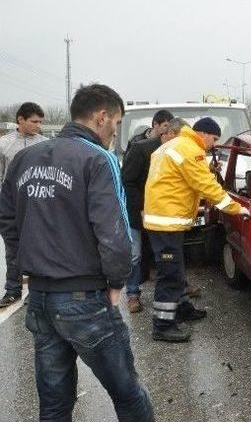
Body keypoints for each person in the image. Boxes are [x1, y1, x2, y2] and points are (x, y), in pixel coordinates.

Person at [0, 84, 154, 419]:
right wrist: (117, 283)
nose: (114, 133)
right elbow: (114, 230)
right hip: (84, 299)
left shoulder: (24, 159)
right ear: (101, 117)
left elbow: (7, 219)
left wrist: (22, 261)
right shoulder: (99, 159)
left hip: (40, 298)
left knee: (54, 403)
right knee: (128, 393)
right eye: (114, 124)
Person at [144, 117, 249, 342]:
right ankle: (162, 325)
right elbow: (206, 186)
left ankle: (181, 307)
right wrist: (236, 208)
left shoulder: (174, 145)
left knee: (176, 267)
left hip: (164, 219)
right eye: (214, 138)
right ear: (202, 133)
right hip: (166, 222)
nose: (214, 143)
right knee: (170, 274)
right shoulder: (190, 150)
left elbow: (184, 178)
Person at [121, 117, 189, 313]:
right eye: (177, 137)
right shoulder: (141, 149)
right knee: (135, 255)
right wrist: (141, 209)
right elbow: (128, 181)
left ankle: (180, 290)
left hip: (162, 215)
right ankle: (133, 294)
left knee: (168, 256)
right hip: (138, 212)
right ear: (166, 133)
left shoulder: (175, 152)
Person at [0, 102, 48, 307]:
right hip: (10, 202)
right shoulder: (4, 144)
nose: (38, 125)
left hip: (36, 203)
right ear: (20, 119)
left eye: (40, 122)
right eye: (34, 121)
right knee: (13, 247)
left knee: (39, 246)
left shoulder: (45, 144)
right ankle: (13, 290)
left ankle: (36, 291)